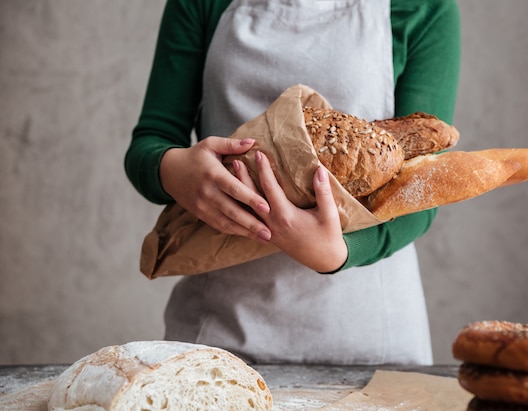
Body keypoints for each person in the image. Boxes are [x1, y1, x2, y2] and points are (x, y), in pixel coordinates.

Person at [125, 0, 460, 365]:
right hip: (218, 333)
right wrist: (174, 170)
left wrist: (337, 253)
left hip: (370, 339)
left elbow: (422, 191)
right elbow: (151, 140)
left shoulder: (422, 9)